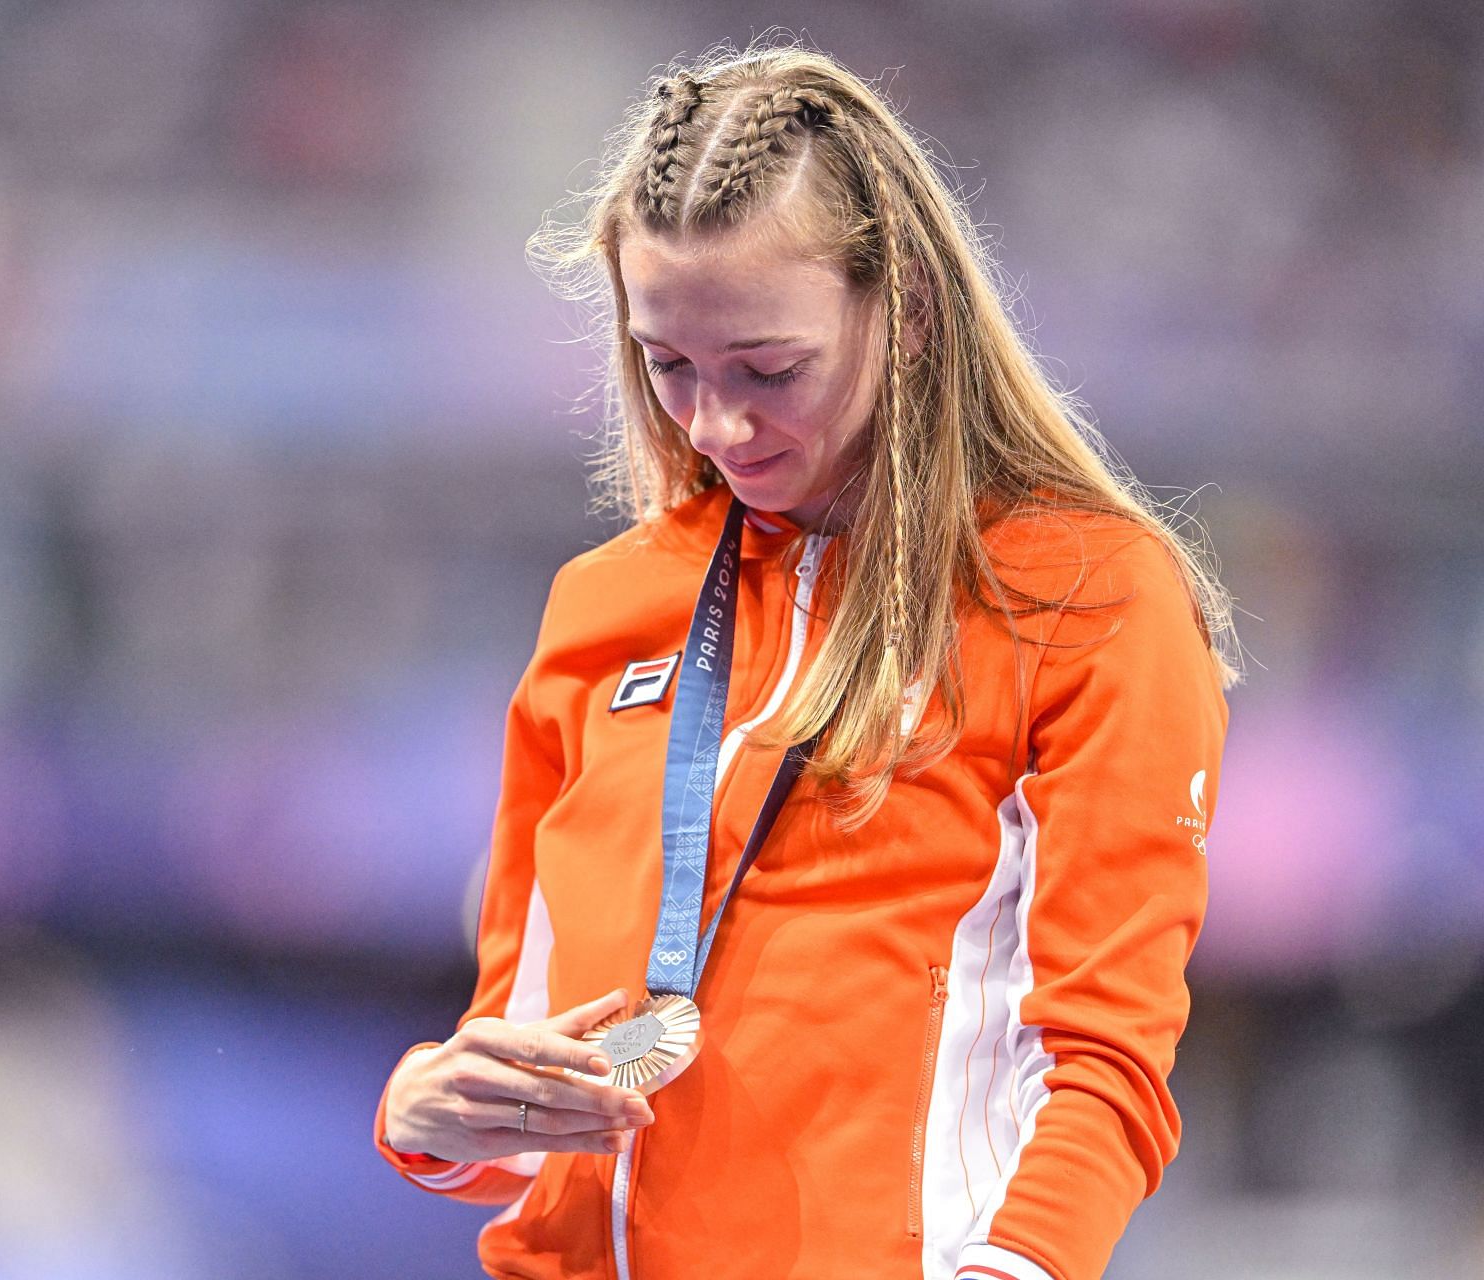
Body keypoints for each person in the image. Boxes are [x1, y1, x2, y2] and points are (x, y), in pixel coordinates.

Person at [372, 38, 1239, 1280]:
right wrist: (430, 1112)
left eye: (769, 369)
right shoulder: (604, 605)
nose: (716, 424)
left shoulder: (1086, 596)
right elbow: (528, 1064)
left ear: (913, 311)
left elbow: (1105, 1060)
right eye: (667, 365)